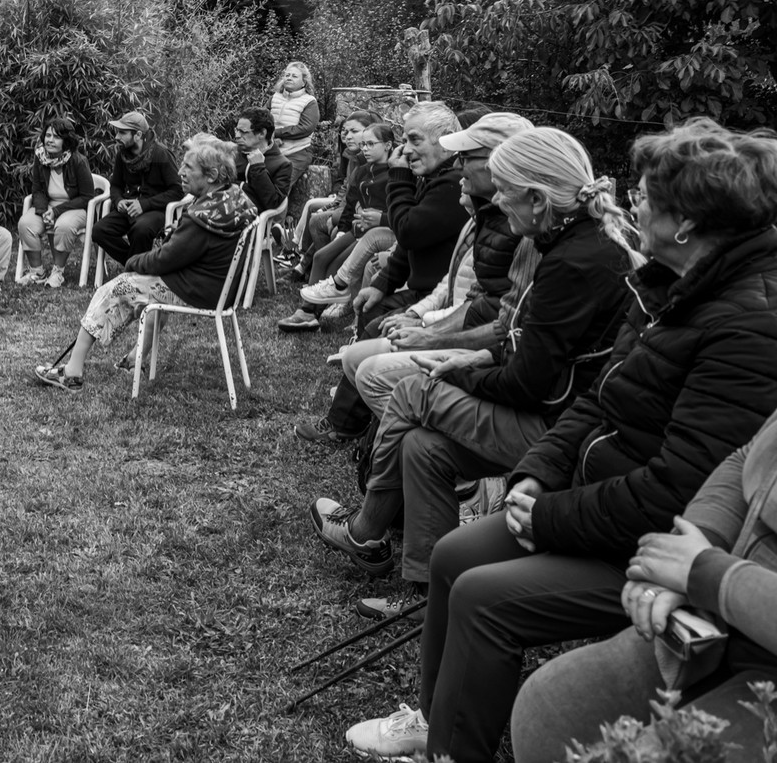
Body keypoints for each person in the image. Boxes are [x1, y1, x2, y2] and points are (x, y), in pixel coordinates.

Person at [344, 118, 777, 763]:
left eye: (645, 198)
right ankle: (436, 724)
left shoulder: (745, 324)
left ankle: (451, 750)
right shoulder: (670, 287)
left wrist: (550, 514)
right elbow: (596, 397)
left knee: (483, 596)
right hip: (590, 492)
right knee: (454, 554)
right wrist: (536, 474)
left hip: (646, 541)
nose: (629, 206)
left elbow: (678, 487)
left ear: (684, 223)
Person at [311, 127, 638, 612]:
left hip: (563, 430)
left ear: (537, 198)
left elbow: (530, 384)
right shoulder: (573, 243)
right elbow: (526, 346)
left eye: (505, 192)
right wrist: (472, 357)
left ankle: (365, 532)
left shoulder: (574, 261)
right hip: (562, 414)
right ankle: (425, 594)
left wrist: (452, 368)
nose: (499, 203)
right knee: (424, 447)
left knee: (410, 394)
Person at [510, 411, 777, 763]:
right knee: (546, 709)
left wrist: (705, 572)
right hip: (711, 618)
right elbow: (751, 454)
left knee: (477, 597)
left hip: (747, 629)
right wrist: (690, 548)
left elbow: (667, 482)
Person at [291, 101, 470, 437]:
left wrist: (399, 176)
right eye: (405, 139)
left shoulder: (451, 184)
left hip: (439, 298)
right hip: (425, 289)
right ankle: (355, 410)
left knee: (376, 324)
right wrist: (382, 284)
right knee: (373, 306)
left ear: (446, 139)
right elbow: (408, 245)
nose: (406, 149)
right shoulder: (435, 177)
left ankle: (344, 425)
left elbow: (409, 231)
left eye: (415, 140)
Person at [31, 134, 255, 391]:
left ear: (212, 175)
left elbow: (164, 260)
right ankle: (135, 359)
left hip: (199, 290)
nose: (180, 171)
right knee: (148, 290)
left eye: (188, 167)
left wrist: (133, 261)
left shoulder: (201, 218)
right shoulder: (232, 199)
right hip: (221, 289)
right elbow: (191, 249)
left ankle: (72, 371)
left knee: (116, 288)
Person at [278, 122, 397, 329]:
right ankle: (307, 311)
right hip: (356, 229)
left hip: (380, 232)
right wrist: (342, 230)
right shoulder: (362, 171)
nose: (365, 149)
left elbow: (399, 209)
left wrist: (381, 218)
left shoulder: (396, 174)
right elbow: (350, 204)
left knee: (336, 263)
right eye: (364, 145)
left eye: (371, 144)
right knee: (320, 256)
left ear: (388, 145)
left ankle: (311, 312)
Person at [288, 111, 381, 276]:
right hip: (345, 208)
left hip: (359, 216)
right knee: (315, 211)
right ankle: (307, 263)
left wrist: (336, 215)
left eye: (354, 131)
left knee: (318, 219)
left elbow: (357, 198)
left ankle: (311, 267)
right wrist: (332, 206)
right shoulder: (352, 157)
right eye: (346, 132)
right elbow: (345, 187)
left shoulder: (368, 160)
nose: (348, 136)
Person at [90, 110, 183, 270]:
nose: (117, 137)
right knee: (99, 230)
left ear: (138, 135)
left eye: (122, 133)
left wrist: (144, 204)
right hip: (129, 208)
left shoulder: (161, 154)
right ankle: (136, 266)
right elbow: (116, 185)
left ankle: (134, 271)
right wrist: (118, 201)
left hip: (156, 210)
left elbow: (177, 191)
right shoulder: (122, 155)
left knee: (140, 230)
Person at [17, 118, 96, 288]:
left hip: (76, 207)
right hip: (49, 206)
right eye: (48, 135)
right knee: (26, 224)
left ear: (66, 141)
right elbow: (37, 190)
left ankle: (58, 273)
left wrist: (56, 211)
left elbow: (87, 197)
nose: (50, 140)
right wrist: (43, 210)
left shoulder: (78, 161)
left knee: (64, 226)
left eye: (56, 137)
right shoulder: (40, 158)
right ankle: (36, 272)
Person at [234, 106, 293, 212]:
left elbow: (273, 204)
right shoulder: (233, 154)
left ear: (262, 133)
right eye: (237, 130)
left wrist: (258, 168)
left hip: (253, 222)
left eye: (243, 132)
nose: (237, 136)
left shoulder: (282, 164)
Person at [270, 61, 320, 185]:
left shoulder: (309, 102)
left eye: (294, 76)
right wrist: (269, 138)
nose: (289, 78)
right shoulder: (275, 97)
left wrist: (276, 133)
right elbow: (262, 120)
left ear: (304, 82)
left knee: (280, 187)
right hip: (272, 149)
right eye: (287, 75)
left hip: (297, 152)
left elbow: (305, 129)